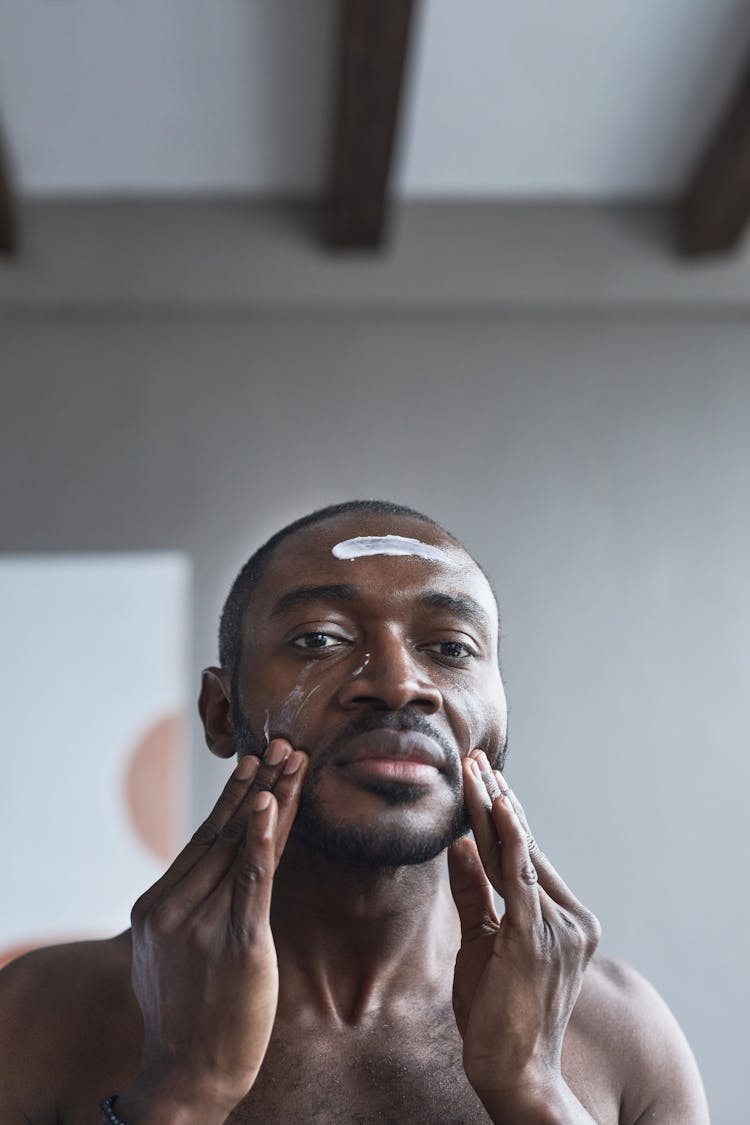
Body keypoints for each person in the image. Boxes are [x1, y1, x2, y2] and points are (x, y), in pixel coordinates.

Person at [0, 500, 709, 1124]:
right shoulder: (39, 1016)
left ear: (498, 716)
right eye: (318, 639)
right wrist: (182, 1096)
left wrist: (538, 1092)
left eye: (450, 648)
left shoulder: (619, 1034)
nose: (400, 683)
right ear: (221, 712)